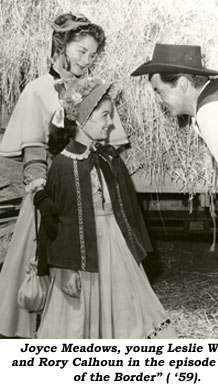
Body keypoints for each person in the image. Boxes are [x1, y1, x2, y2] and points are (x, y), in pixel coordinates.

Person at [131, 43, 218, 338]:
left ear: (182, 83)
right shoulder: (214, 97)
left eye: (160, 91)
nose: (161, 101)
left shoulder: (215, 113)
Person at [0, 12, 127, 338]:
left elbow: (105, 145)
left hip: (91, 198)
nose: (87, 60)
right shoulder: (38, 90)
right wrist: (41, 192)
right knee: (46, 265)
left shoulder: (93, 89)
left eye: (93, 54)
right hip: (53, 193)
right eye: (81, 51)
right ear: (61, 46)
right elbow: (34, 152)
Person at [34, 77, 177, 338]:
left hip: (115, 244)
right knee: (79, 319)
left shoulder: (108, 158)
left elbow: (127, 209)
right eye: (104, 116)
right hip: (82, 251)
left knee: (125, 308)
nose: (110, 123)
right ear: (82, 119)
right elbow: (56, 222)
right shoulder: (64, 165)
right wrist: (66, 269)